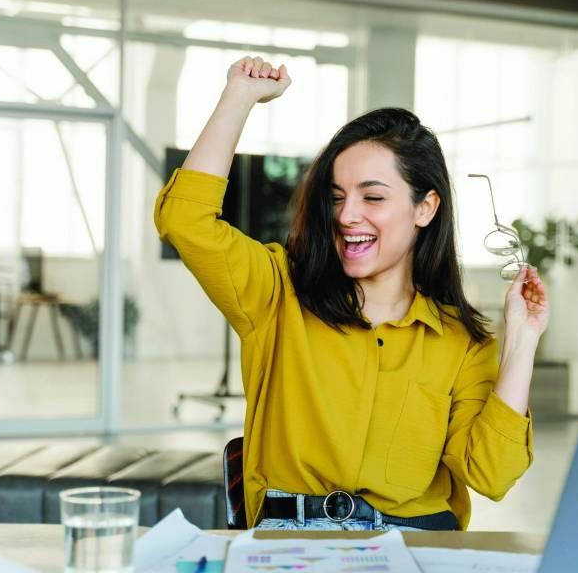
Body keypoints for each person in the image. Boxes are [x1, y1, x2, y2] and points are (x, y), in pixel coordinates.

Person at [154, 56, 550, 531]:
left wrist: (522, 342)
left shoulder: (462, 342)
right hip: (292, 539)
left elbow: (491, 475)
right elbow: (185, 221)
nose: (346, 215)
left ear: (425, 208)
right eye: (337, 197)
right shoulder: (277, 293)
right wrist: (238, 97)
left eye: (373, 197)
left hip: (415, 541)